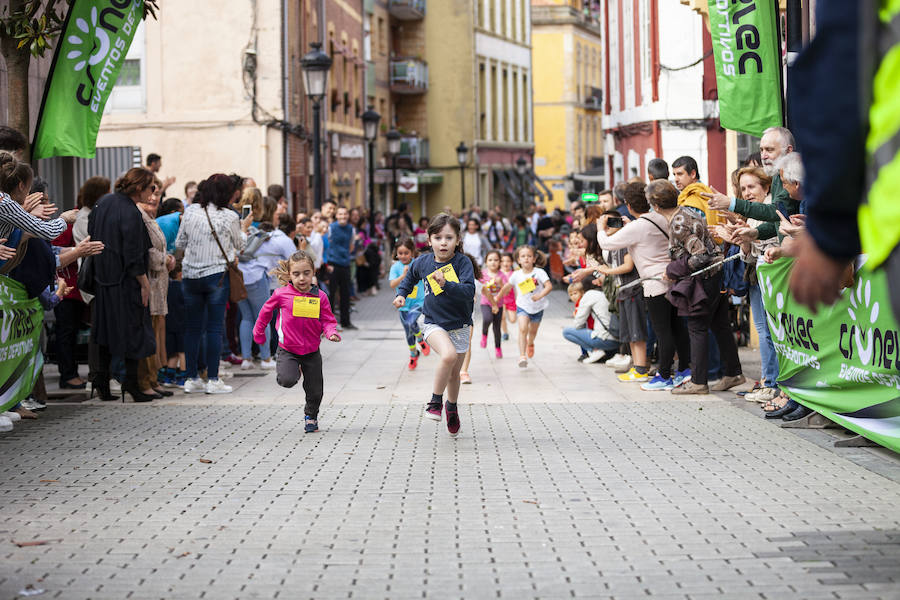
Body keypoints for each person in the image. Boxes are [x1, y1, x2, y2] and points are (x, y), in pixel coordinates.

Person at [647, 180, 744, 395]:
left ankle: (699, 382)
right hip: (715, 275)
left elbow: (700, 256)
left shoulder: (679, 223)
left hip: (705, 278)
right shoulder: (687, 213)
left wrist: (673, 270)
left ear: (655, 206)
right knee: (720, 325)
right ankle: (733, 372)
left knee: (697, 326)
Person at [597, 181, 690, 385]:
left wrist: (600, 228)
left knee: (662, 332)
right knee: (677, 329)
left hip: (655, 285)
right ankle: (684, 370)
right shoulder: (660, 217)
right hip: (674, 279)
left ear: (628, 205)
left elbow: (606, 243)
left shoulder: (638, 226)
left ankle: (664, 376)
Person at [393, 213, 478, 437]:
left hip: (459, 324)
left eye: (449, 238)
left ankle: (451, 407)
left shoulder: (463, 262)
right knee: (448, 356)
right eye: (438, 237)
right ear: (429, 239)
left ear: (458, 240)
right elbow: (409, 279)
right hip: (432, 323)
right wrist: (401, 295)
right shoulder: (422, 261)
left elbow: (469, 292)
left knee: (454, 375)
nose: (443, 242)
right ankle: (435, 401)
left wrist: (447, 284)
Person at [87, 168, 157, 402]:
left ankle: (102, 384)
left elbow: (91, 232)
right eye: (151, 187)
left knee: (104, 333)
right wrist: (144, 284)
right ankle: (132, 384)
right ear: (139, 188)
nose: (154, 192)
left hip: (102, 280)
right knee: (134, 331)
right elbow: (134, 254)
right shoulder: (130, 211)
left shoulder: (103, 203)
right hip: (125, 283)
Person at [254, 250, 341, 433]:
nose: (301, 278)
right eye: (296, 274)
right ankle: (292, 369)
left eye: (306, 273)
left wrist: (331, 332)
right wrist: (259, 332)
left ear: (313, 273)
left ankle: (311, 416)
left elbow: (328, 319)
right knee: (287, 380)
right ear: (289, 275)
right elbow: (265, 313)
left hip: (311, 350)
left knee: (315, 390)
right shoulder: (281, 294)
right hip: (288, 349)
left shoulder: (320, 296)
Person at [175, 174, 246, 395]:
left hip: (190, 276)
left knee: (192, 328)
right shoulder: (229, 217)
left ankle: (191, 378)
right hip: (216, 276)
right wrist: (243, 227)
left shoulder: (191, 212)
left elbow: (179, 243)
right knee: (214, 328)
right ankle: (213, 379)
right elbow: (240, 244)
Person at [236, 197, 295, 370]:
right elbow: (295, 258)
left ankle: (246, 359)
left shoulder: (246, 233)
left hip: (240, 277)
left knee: (246, 318)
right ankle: (266, 358)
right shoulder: (276, 238)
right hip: (257, 278)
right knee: (263, 317)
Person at [135, 178, 175, 399]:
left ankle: (155, 377)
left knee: (158, 330)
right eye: (150, 193)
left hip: (159, 282)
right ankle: (148, 378)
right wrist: (165, 259)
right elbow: (148, 252)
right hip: (150, 281)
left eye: (157, 193)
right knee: (150, 331)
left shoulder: (151, 218)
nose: (154, 198)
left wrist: (167, 257)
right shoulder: (140, 217)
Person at [495, 245, 553, 368]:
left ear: (534, 259)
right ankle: (522, 356)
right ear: (518, 260)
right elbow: (507, 287)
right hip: (522, 306)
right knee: (522, 329)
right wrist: (498, 297)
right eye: (523, 256)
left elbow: (549, 286)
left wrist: (540, 295)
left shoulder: (539, 272)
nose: (526, 258)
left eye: (529, 256)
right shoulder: (516, 275)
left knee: (532, 331)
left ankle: (530, 343)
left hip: (538, 307)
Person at [389, 238, 429, 369]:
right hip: (403, 305)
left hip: (418, 302)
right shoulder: (395, 267)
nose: (403, 256)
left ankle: (421, 340)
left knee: (412, 322)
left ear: (412, 252)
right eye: (400, 253)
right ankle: (413, 354)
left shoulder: (417, 264)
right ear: (396, 253)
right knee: (408, 332)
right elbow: (392, 284)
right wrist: (403, 276)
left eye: (406, 253)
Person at [562, 281, 618, 363]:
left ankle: (594, 351)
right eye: (571, 295)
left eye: (575, 293)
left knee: (567, 331)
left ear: (582, 291)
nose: (573, 297)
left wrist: (576, 316)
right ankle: (598, 351)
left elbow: (578, 324)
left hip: (605, 339)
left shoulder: (589, 296)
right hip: (617, 338)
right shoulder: (603, 294)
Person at [671, 156, 721, 230]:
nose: (676, 179)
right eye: (674, 175)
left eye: (680, 174)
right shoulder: (704, 190)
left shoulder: (693, 200)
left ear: (693, 174)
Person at [327, 206, 356, 330]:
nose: (343, 216)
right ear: (336, 215)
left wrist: (345, 256)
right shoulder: (331, 227)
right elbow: (326, 244)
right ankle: (330, 324)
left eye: (345, 214)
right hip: (332, 264)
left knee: (345, 294)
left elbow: (351, 245)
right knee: (331, 295)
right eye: (340, 214)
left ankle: (346, 321)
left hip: (345, 264)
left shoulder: (351, 229)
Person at [478, 249, 508, 357]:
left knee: (497, 328)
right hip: (486, 303)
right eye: (490, 260)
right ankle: (484, 334)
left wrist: (501, 284)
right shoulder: (482, 274)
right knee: (487, 318)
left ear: (500, 262)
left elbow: (507, 291)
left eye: (496, 260)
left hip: (499, 305)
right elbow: (479, 288)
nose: (493, 262)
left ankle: (498, 348)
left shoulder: (502, 275)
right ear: (486, 262)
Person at [499, 252, 517, 340]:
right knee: (502, 317)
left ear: (512, 262)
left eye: (508, 261)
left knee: (513, 320)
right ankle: (505, 333)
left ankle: (506, 332)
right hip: (500, 300)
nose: (505, 263)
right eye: (503, 261)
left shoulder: (514, 273)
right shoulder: (498, 273)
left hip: (511, 300)